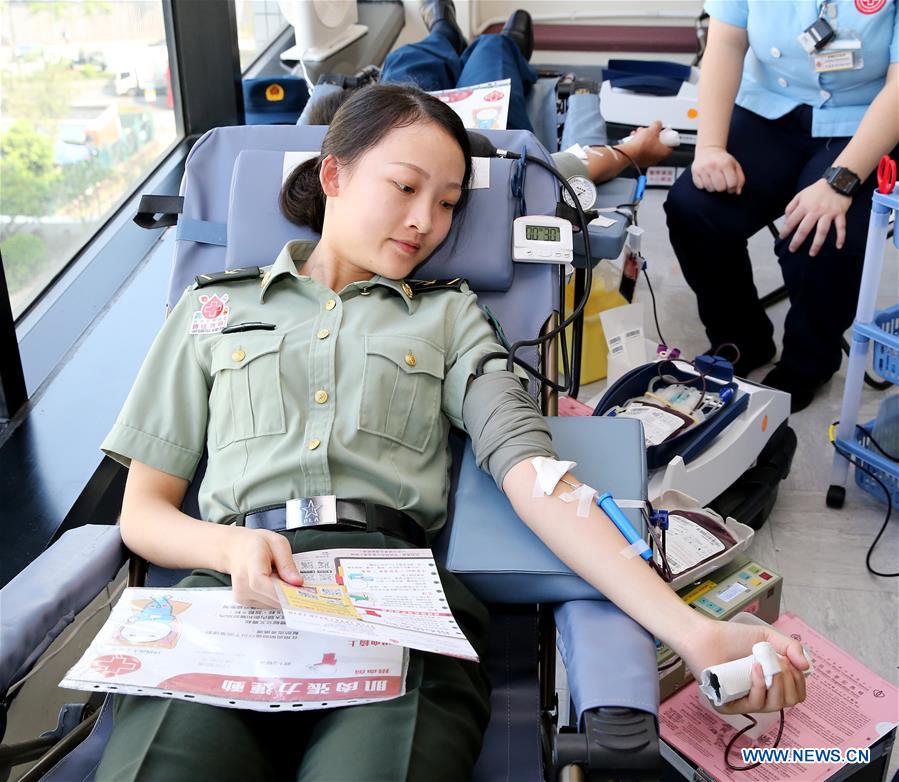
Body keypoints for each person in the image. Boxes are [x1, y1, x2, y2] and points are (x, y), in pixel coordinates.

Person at [96, 84, 808, 782]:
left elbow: (535, 476)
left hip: (393, 598)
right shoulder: (213, 308)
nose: (423, 223)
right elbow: (144, 513)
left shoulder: (451, 317)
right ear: (333, 174)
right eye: (404, 188)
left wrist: (692, 631)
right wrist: (229, 544)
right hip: (230, 592)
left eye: (446, 204)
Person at [664, 0, 899, 412]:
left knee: (823, 234)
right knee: (692, 207)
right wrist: (710, 147)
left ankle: (808, 362)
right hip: (768, 108)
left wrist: (841, 180)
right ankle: (741, 337)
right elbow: (726, 42)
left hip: (865, 120)